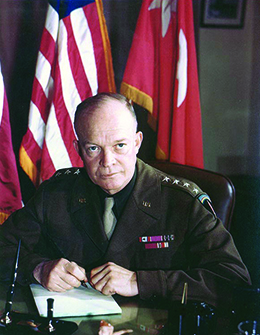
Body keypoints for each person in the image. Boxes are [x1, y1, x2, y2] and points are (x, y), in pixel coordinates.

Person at [0, 93, 251, 308]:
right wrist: (37, 269)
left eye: (119, 145)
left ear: (137, 142)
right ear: (78, 149)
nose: (107, 162)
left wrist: (139, 282)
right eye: (93, 149)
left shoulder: (182, 202)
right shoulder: (55, 194)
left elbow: (233, 281)